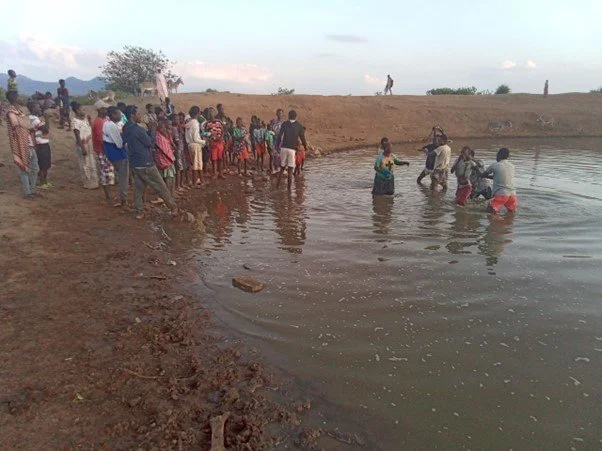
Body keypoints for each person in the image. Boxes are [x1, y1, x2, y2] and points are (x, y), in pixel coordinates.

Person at [122, 105, 178, 219]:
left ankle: (139, 211)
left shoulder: (126, 128)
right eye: (138, 114)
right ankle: (173, 208)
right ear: (132, 115)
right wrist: (152, 131)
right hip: (146, 162)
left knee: (139, 188)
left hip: (135, 163)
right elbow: (150, 143)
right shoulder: (138, 129)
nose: (140, 116)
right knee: (160, 186)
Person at [5, 90, 39, 198]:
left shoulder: (19, 112)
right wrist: (27, 125)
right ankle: (28, 192)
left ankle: (31, 190)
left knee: (34, 168)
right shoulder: (11, 112)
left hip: (29, 143)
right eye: (19, 96)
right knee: (25, 169)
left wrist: (26, 125)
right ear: (15, 98)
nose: (21, 98)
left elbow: (25, 125)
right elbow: (16, 125)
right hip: (21, 144)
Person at [70, 102, 99, 190]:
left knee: (91, 161)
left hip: (89, 143)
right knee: (85, 163)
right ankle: (88, 183)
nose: (84, 111)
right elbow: (77, 136)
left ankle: (94, 181)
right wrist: (82, 148)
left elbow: (90, 129)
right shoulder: (75, 122)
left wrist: (89, 120)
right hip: (83, 144)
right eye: (82, 110)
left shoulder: (85, 119)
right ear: (77, 111)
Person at [103, 106, 128, 205]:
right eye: (118, 113)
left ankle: (123, 198)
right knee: (123, 179)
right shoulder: (112, 126)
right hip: (118, 155)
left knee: (121, 177)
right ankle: (124, 199)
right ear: (112, 115)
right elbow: (119, 144)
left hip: (111, 154)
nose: (120, 115)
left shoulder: (106, 124)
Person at [277, 110, 308, 190]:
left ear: (288, 116)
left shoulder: (284, 124)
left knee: (282, 168)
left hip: (283, 148)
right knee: (290, 171)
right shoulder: (299, 125)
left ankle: (277, 187)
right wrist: (305, 146)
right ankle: (289, 190)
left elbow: (280, 136)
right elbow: (302, 137)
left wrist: (277, 146)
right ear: (296, 116)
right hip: (292, 149)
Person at [482, 147, 517, 214]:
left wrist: (478, 172)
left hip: (501, 194)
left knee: (490, 211)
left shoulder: (494, 165)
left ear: (499, 155)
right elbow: (501, 177)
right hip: (512, 194)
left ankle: (496, 221)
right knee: (511, 213)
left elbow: (484, 175)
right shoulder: (512, 166)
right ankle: (508, 220)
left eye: (497, 155)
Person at [91, 105, 115, 203]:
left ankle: (109, 196)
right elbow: (101, 139)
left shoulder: (102, 120)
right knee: (105, 173)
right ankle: (108, 197)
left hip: (105, 149)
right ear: (100, 110)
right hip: (103, 150)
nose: (106, 110)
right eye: (105, 109)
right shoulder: (99, 122)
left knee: (108, 173)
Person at [27, 101, 52, 189]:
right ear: (33, 108)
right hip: (41, 144)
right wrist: (47, 118)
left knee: (41, 164)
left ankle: (44, 182)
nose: (40, 108)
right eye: (38, 107)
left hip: (38, 143)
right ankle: (42, 182)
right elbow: (45, 129)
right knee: (43, 164)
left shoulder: (30, 118)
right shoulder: (35, 119)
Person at [184, 106, 206, 186]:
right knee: (197, 164)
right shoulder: (196, 123)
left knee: (197, 163)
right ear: (198, 113)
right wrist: (204, 142)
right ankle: (195, 182)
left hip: (190, 144)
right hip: (195, 144)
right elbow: (196, 138)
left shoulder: (188, 123)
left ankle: (201, 181)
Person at [155, 120, 176, 196]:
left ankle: (171, 193)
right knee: (168, 177)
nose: (164, 129)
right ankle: (167, 195)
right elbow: (164, 150)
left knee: (171, 176)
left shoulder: (164, 136)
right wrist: (171, 157)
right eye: (162, 128)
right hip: (165, 160)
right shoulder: (159, 137)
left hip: (167, 159)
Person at [205, 114, 226, 179]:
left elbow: (223, 131)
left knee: (220, 159)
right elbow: (206, 133)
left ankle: (220, 173)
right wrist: (210, 141)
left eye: (212, 113)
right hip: (213, 143)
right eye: (210, 113)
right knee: (214, 159)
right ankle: (215, 174)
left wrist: (221, 138)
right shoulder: (207, 124)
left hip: (220, 142)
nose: (212, 115)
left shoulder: (219, 122)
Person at [171, 115, 186, 192]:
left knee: (182, 167)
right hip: (178, 150)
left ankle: (181, 184)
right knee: (179, 168)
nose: (178, 120)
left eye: (178, 119)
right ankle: (178, 186)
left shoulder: (177, 128)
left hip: (181, 149)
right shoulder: (174, 129)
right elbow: (177, 141)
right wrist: (181, 133)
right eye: (176, 119)